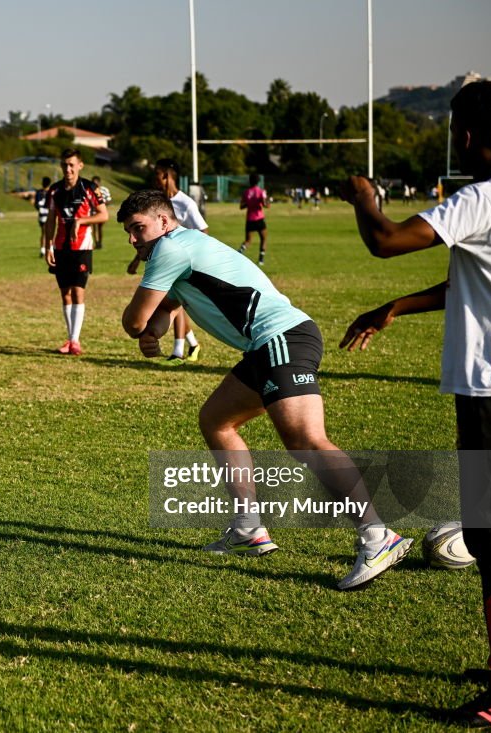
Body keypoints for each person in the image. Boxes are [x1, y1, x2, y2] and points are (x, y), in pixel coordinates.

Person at [340, 80, 491, 727]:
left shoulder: (481, 197)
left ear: (471, 134)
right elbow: (472, 281)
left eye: (458, 129)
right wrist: (396, 308)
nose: (455, 140)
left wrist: (365, 200)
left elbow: (384, 241)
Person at [118, 189, 412, 590]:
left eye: (139, 229)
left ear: (165, 222)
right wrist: (154, 334)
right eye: (129, 233)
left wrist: (141, 330)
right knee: (217, 421)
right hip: (266, 347)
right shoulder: (183, 247)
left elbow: (135, 321)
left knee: (307, 441)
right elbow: (164, 311)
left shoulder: (171, 248)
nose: (134, 240)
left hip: (281, 338)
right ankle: (248, 529)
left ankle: (379, 537)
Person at [127, 158, 206, 364]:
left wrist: (190, 254)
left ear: (167, 176)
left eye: (157, 175)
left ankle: (179, 349)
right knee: (170, 304)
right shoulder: (157, 202)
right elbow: (148, 238)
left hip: (181, 265)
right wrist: (137, 259)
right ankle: (191, 343)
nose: (155, 179)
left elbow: (202, 230)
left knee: (176, 304)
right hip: (159, 261)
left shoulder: (186, 203)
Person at [43, 148, 108, 355]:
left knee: (78, 292)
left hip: (82, 247)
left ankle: (75, 340)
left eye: (72, 165)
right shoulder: (54, 190)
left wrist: (81, 221)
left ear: (80, 165)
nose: (68, 169)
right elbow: (50, 220)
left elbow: (103, 215)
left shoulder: (90, 188)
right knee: (65, 295)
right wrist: (48, 246)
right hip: (61, 247)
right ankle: (70, 339)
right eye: (64, 165)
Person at [238, 173, 269, 266]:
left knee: (248, 241)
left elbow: (241, 206)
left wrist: (249, 203)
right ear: (258, 181)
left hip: (250, 219)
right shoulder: (261, 191)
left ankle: (239, 253)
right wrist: (268, 201)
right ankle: (261, 260)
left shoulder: (246, 192)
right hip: (259, 218)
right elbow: (265, 205)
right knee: (263, 239)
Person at [90, 175, 112, 249]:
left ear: (99, 183)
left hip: (102, 212)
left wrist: (102, 205)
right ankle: (96, 242)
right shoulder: (89, 190)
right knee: (93, 228)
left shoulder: (104, 190)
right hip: (92, 212)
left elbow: (109, 200)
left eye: (96, 183)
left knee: (100, 228)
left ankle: (100, 242)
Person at [34, 176, 51, 257]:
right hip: (44, 215)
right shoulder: (40, 192)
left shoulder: (50, 192)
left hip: (47, 214)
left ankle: (47, 249)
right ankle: (43, 249)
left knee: (47, 232)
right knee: (45, 232)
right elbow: (36, 204)